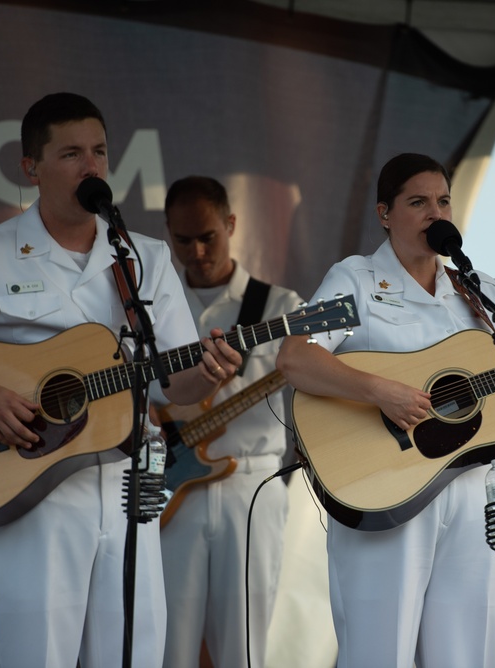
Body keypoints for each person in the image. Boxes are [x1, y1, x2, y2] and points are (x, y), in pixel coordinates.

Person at [0, 93, 243, 667]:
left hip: (132, 488)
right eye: (72, 153)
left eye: (100, 151)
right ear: (30, 167)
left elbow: (171, 384)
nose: (92, 167)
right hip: (31, 486)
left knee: (134, 653)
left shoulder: (144, 258)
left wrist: (207, 375)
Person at [275, 152, 495, 668]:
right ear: (385, 213)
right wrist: (379, 391)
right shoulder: (355, 279)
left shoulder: (480, 293)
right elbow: (294, 356)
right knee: (377, 654)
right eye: (418, 202)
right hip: (382, 482)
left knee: (463, 655)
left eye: (444, 200)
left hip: (474, 493)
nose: (436, 212)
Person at [156, 175, 304, 667]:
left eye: (208, 237)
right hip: (170, 489)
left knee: (244, 645)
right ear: (167, 234)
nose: (196, 251)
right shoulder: (154, 310)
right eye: (183, 240)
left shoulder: (282, 307)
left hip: (253, 486)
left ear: (232, 224)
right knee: (167, 643)